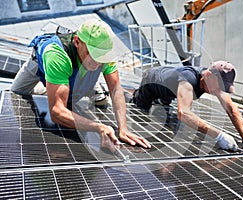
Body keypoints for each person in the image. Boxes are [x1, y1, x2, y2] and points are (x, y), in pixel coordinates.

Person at [11, 18, 151, 150]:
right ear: (77, 42)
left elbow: (115, 90)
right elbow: (57, 112)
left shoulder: (104, 54)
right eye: (94, 54)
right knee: (16, 93)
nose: (98, 62)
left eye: (102, 57)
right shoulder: (57, 55)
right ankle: (58, 84)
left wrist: (123, 129)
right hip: (41, 64)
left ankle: (86, 87)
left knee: (77, 96)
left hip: (77, 70)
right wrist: (98, 127)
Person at [132, 61, 243, 158]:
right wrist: (218, 135)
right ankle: (134, 96)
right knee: (141, 110)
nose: (219, 91)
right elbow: (183, 113)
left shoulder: (213, 81)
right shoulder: (188, 79)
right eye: (219, 86)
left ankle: (162, 101)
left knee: (166, 115)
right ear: (207, 76)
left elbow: (232, 110)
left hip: (170, 89)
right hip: (151, 81)